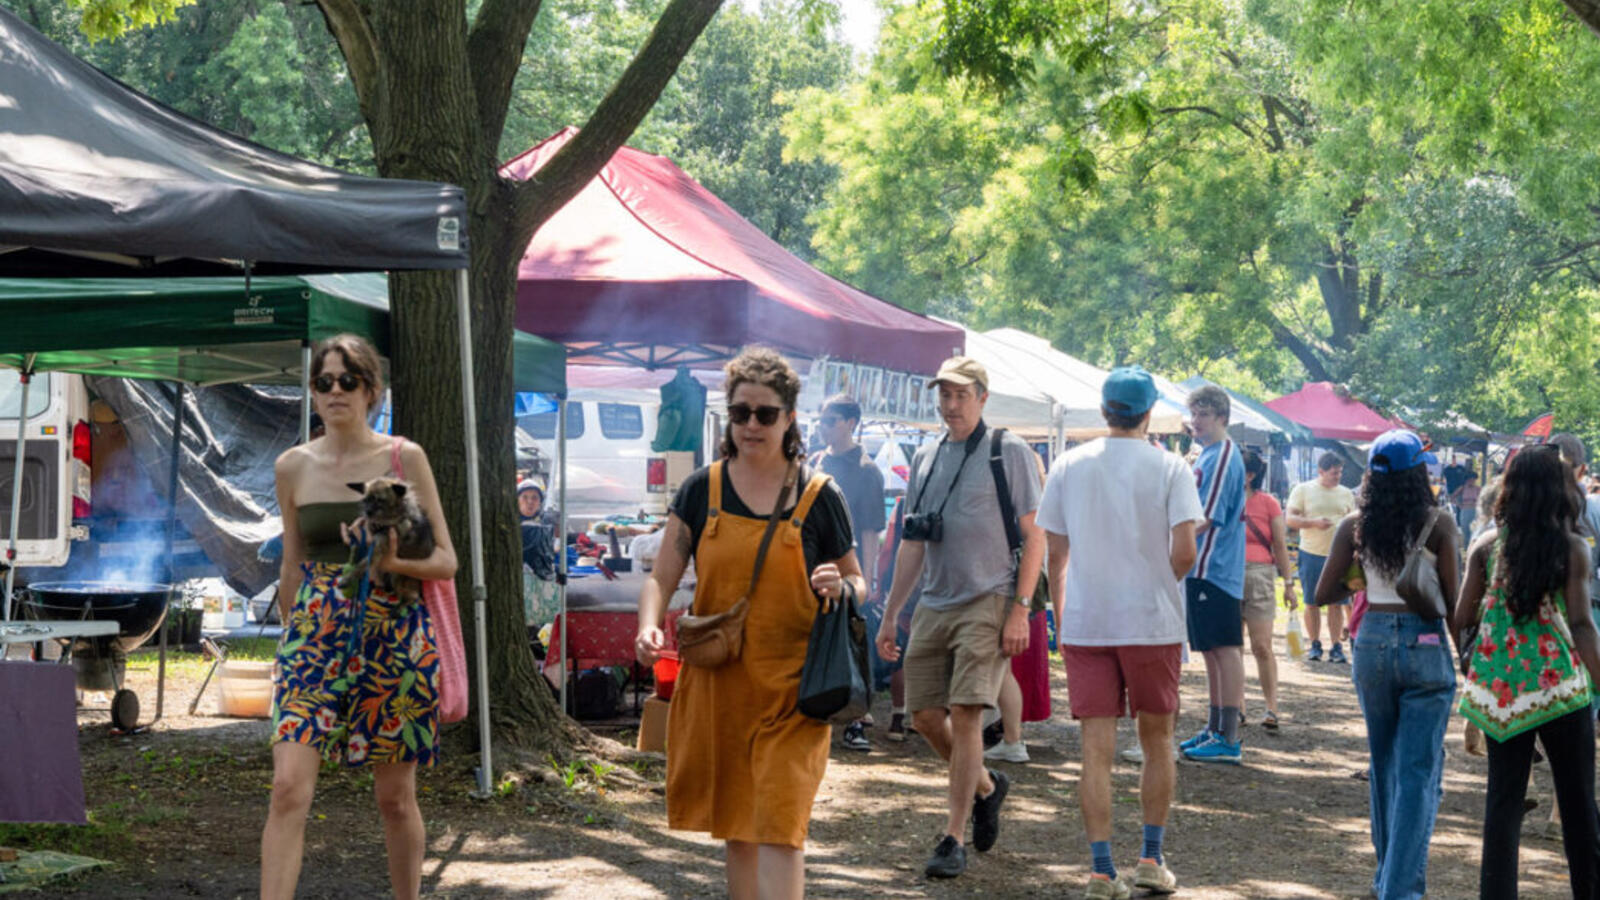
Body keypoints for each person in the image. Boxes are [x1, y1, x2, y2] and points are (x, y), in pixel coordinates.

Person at [634, 346, 862, 900]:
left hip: (794, 691)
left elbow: (859, 582)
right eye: (741, 413)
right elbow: (661, 577)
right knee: (737, 828)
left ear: (789, 418)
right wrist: (648, 625)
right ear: (728, 416)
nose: (752, 425)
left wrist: (841, 585)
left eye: (765, 413)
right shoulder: (700, 490)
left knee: (781, 829)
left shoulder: (819, 495)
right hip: (721, 685)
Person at [261, 334, 459, 900]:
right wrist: (289, 637)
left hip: (392, 631)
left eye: (348, 380)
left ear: (372, 390)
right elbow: (293, 562)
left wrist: (394, 559)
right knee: (286, 788)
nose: (335, 392)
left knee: (394, 797)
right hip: (314, 636)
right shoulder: (291, 466)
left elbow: (446, 560)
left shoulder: (404, 458)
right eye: (323, 382)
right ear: (313, 394)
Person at [876, 355, 1044, 879]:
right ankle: (988, 787)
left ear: (983, 398)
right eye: (944, 395)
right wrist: (891, 612)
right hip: (935, 600)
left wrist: (1020, 609)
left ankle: (952, 835)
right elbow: (913, 540)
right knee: (925, 716)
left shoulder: (1007, 451)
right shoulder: (924, 457)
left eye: (961, 395)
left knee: (967, 711)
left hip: (990, 598)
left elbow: (1035, 533)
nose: (951, 405)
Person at [1038, 365, 1202, 899]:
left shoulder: (1067, 464)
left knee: (1095, 752)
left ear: (1105, 409)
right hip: (1152, 624)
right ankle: (1151, 860)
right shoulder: (1171, 468)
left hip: (1087, 623)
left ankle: (1101, 871)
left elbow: (1055, 556)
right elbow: (1185, 552)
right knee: (1157, 744)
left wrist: (1064, 619)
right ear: (1149, 411)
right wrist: (1156, 580)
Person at [1315, 429, 1457, 900]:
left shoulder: (1354, 524)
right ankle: (1400, 889)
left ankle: (1386, 878)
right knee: (1417, 772)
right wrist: (1471, 660)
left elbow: (1323, 594)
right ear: (1418, 472)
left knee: (1383, 764)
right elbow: (1453, 603)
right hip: (1424, 642)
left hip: (1371, 640)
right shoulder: (1439, 524)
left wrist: (1360, 582)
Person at [1454, 444, 1600, 899]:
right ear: (1560, 491)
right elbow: (1580, 623)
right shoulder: (1573, 547)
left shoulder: (1485, 546)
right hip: (1561, 690)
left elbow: (1461, 617)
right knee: (1579, 804)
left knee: (1503, 803)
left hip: (1503, 694)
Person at [809, 393, 886, 752]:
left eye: (830, 421)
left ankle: (857, 721)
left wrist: (867, 579)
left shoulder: (867, 470)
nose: (823, 427)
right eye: (821, 420)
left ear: (850, 423)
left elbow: (871, 530)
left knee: (854, 642)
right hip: (813, 568)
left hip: (849, 569)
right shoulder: (816, 462)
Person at [1178, 385, 1248, 765]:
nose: (1196, 421)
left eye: (1204, 414)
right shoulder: (1207, 453)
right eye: (1194, 414)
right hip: (1202, 566)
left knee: (1224, 649)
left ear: (1221, 417)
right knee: (1211, 651)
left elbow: (1207, 516)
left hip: (1214, 566)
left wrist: (1172, 540)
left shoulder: (1222, 455)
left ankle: (1229, 736)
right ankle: (1215, 727)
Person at [1241, 449, 1296, 729]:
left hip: (1259, 575)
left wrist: (1288, 583)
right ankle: (1236, 706)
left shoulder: (1269, 503)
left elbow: (1279, 545)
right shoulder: (1222, 499)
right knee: (1231, 647)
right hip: (1225, 575)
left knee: (1261, 645)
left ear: (1250, 475)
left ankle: (1271, 707)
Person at [1288, 452, 1357, 663]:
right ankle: (1315, 643)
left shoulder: (1346, 493)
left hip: (1339, 555)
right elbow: (1290, 519)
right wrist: (1314, 523)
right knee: (1311, 602)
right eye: (1333, 473)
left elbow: (1354, 521)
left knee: (1337, 602)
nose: (1337, 477)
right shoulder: (1303, 490)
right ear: (1321, 471)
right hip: (1311, 553)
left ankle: (1336, 645)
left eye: (1340, 473)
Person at [1449, 471, 1481, 543]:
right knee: (1466, 530)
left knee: (1475, 531)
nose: (1472, 481)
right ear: (1467, 480)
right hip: (1465, 511)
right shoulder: (1462, 488)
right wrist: (1459, 505)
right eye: (1470, 479)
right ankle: (1466, 548)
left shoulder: (1478, 488)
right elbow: (1452, 498)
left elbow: (1484, 499)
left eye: (1474, 479)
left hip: (1475, 511)